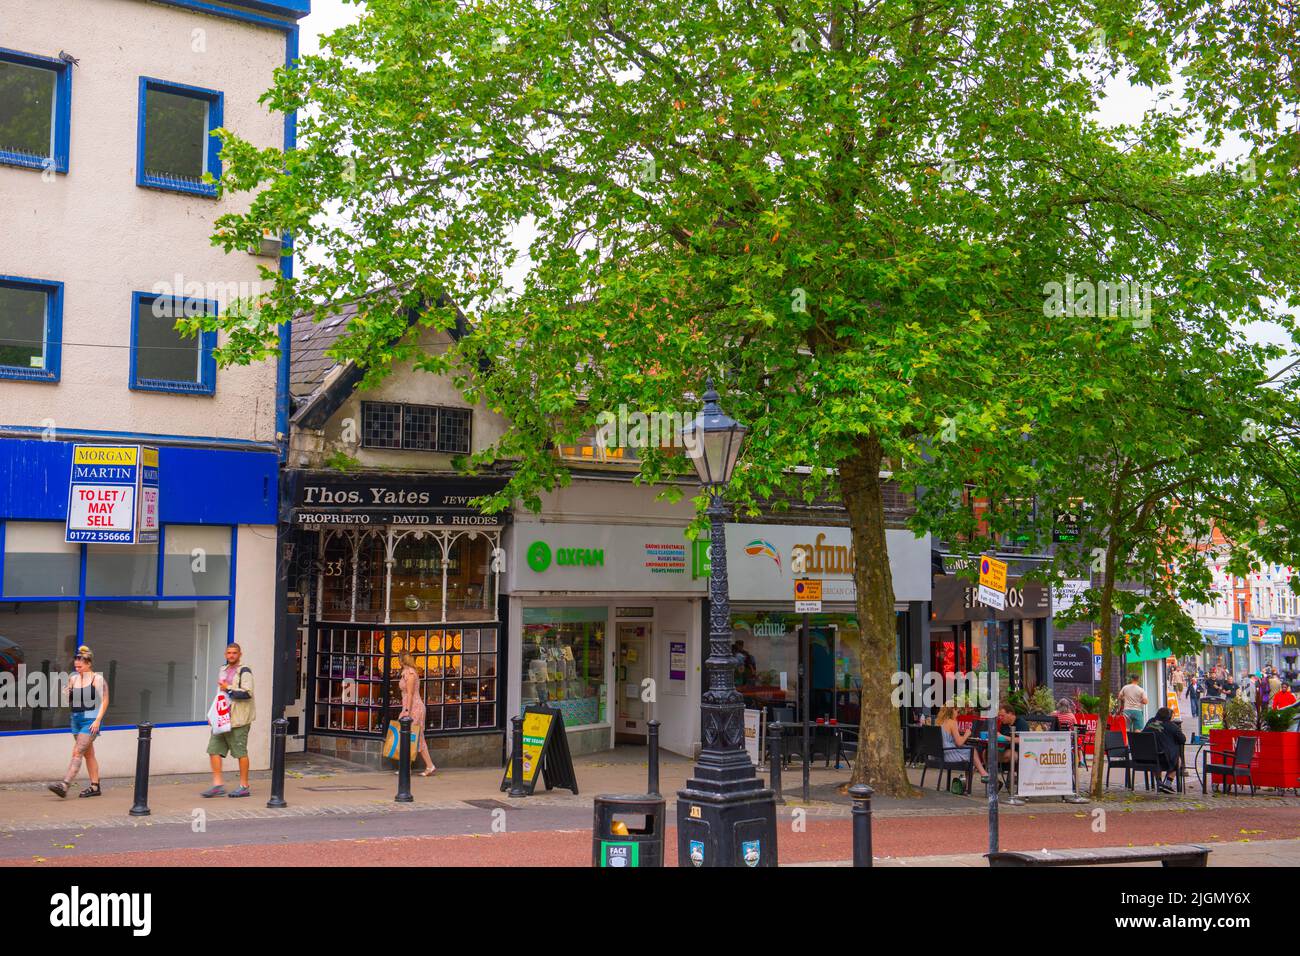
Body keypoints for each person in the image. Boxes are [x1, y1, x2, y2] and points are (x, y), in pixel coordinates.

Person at [47, 645, 109, 798]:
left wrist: (98, 720)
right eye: (76, 665)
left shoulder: (97, 679)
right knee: (89, 754)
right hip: (76, 719)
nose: (77, 667)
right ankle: (95, 786)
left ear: (89, 663)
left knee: (78, 751)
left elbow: (105, 700)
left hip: (91, 719)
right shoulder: (73, 678)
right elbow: (69, 701)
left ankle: (64, 785)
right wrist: (66, 694)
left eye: (80, 665)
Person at [202, 643, 255, 798]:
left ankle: (244, 786)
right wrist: (213, 715)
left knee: (240, 752)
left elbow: (247, 694)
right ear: (225, 654)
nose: (231, 655)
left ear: (240, 654)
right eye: (229, 653)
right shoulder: (222, 669)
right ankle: (218, 785)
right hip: (222, 718)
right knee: (214, 750)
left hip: (239, 719)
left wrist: (229, 688)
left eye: (234, 653)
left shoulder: (245, 671)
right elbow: (220, 694)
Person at [397, 650, 436, 776]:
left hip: (415, 708)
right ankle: (407, 768)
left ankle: (429, 765)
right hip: (410, 707)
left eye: (398, 659)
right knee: (409, 737)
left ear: (401, 660)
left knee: (416, 737)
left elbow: (410, 694)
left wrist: (406, 711)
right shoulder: (405, 672)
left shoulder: (410, 674)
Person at [936, 703, 988, 780]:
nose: (958, 714)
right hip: (949, 755)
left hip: (941, 754)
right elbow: (959, 743)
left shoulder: (939, 722)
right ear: (952, 710)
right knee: (972, 751)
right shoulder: (952, 722)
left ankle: (970, 779)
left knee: (969, 751)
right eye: (957, 711)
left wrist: (959, 734)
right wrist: (966, 734)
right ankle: (983, 774)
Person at [1142, 707, 1186, 793]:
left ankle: (1159, 783)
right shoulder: (1171, 726)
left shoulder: (1150, 722)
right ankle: (1167, 784)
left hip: (1146, 758)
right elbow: (1182, 739)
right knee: (1178, 761)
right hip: (1163, 759)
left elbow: (1142, 734)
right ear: (1169, 717)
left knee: (1155, 758)